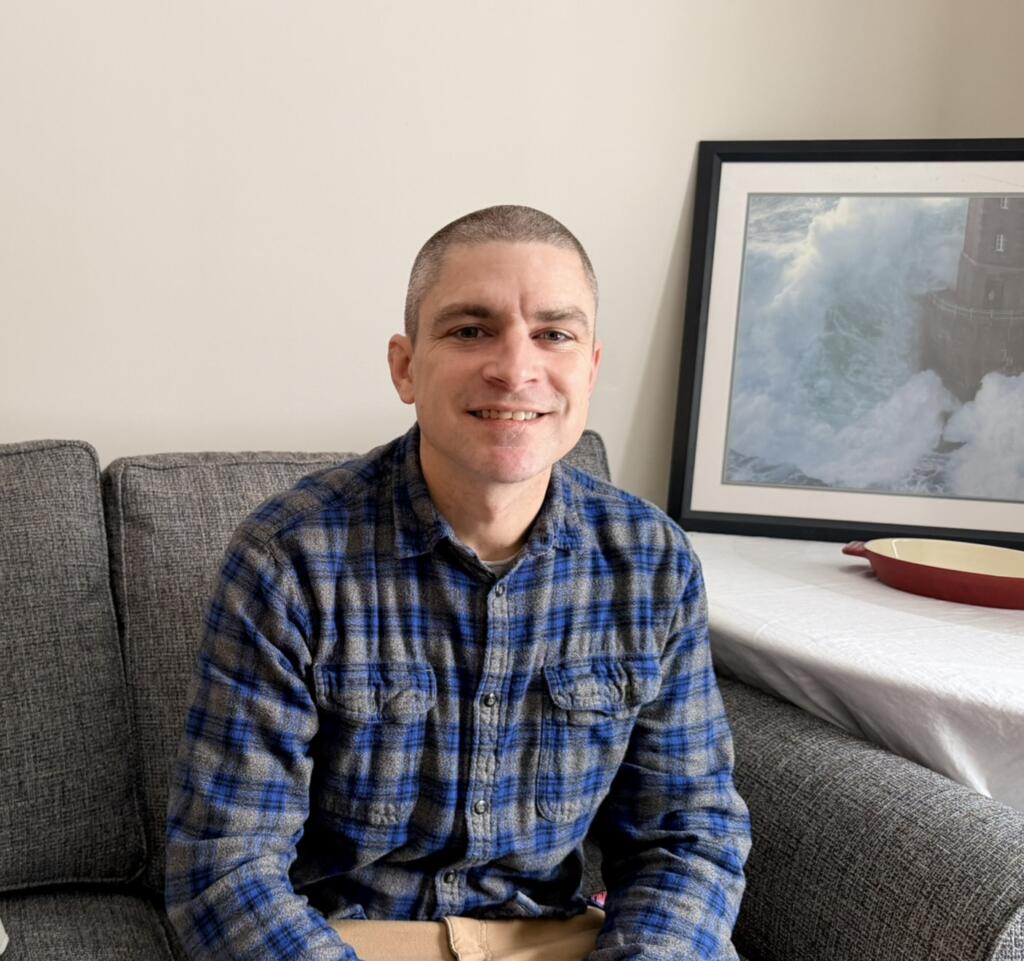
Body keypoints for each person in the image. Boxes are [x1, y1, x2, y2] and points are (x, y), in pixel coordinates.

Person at [165, 205, 751, 961]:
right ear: (405, 366)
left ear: (591, 368)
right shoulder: (288, 559)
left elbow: (689, 833)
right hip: (348, 939)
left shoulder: (652, 562)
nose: (515, 368)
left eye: (554, 334)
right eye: (471, 330)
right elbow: (223, 861)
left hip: (557, 939)